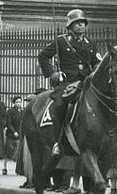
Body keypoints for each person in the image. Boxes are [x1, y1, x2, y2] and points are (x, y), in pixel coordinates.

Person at [37, 9, 100, 161]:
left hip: (86, 82)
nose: (81, 26)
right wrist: (52, 74)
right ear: (70, 26)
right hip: (68, 83)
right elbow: (43, 56)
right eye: (77, 23)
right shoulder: (61, 41)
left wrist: (95, 72)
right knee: (60, 106)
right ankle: (58, 142)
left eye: (83, 23)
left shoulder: (91, 43)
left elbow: (96, 62)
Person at [4, 96, 23, 176]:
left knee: (18, 152)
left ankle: (18, 168)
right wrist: (13, 132)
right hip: (11, 135)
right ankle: (4, 167)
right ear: (14, 103)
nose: (18, 103)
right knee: (8, 151)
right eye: (17, 102)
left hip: (20, 134)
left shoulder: (23, 111)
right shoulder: (10, 111)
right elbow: (8, 123)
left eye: (19, 102)